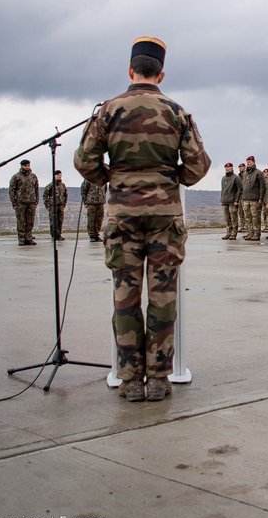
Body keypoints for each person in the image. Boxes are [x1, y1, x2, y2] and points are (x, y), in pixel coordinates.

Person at [74, 35, 211, 403]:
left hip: (122, 218)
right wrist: (168, 181)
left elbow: (84, 161)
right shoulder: (177, 112)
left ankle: (131, 380)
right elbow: (198, 166)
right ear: (161, 75)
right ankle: (161, 379)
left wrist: (116, 181)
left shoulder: (108, 111)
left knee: (126, 298)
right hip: (165, 218)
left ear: (130, 70)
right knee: (163, 299)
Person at [9, 159, 40, 245]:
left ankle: (29, 238)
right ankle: (21, 238)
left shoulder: (33, 176)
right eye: (25, 166)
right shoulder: (16, 177)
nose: (27, 167)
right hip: (20, 203)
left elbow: (36, 189)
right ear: (21, 166)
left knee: (30, 221)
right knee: (21, 221)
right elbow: (12, 190)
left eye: (28, 165)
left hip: (31, 202)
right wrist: (14, 203)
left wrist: (36, 201)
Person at [240, 155, 265, 242]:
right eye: (247, 162)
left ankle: (256, 234)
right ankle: (250, 232)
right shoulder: (245, 173)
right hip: (245, 199)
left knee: (255, 217)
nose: (248, 164)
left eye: (250, 162)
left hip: (255, 199)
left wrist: (260, 198)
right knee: (247, 217)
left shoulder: (258, 173)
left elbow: (262, 187)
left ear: (254, 162)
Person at [43, 170, 68, 241]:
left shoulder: (62, 185)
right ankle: (54, 235)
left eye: (60, 175)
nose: (59, 176)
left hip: (61, 205)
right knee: (53, 221)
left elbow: (65, 195)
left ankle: (59, 234)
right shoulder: (50, 186)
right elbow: (45, 196)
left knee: (60, 220)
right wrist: (48, 205)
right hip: (53, 206)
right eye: (58, 175)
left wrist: (64, 204)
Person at [219, 162, 241, 239]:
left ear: (232, 168)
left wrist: (236, 200)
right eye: (226, 167)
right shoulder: (223, 178)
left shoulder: (236, 177)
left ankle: (234, 233)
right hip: (225, 201)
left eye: (228, 167)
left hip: (232, 202)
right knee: (227, 218)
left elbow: (239, 189)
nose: (227, 169)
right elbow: (223, 190)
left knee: (233, 218)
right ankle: (228, 232)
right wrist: (222, 199)